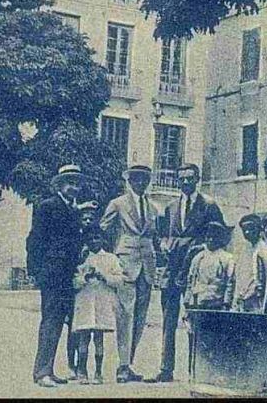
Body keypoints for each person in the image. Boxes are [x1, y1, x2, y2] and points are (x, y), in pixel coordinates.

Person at [149, 163, 225, 384]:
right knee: (168, 321)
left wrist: (200, 248)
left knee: (196, 320)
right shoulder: (171, 207)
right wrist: (163, 244)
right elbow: (161, 235)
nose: (185, 182)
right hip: (173, 272)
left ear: (197, 179)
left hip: (197, 272)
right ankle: (165, 369)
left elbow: (220, 235)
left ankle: (197, 371)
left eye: (190, 178)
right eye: (181, 178)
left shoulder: (209, 205)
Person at [100, 164, 160, 384]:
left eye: (145, 179)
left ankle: (129, 363)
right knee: (125, 316)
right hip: (125, 263)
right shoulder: (118, 203)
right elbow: (102, 230)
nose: (141, 183)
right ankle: (123, 366)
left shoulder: (153, 207)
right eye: (137, 179)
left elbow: (155, 238)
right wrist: (110, 259)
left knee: (141, 318)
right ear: (130, 181)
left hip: (147, 266)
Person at [26, 164, 83, 388]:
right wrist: (36, 271)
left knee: (59, 321)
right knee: (50, 321)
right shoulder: (48, 206)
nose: (74, 187)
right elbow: (34, 240)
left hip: (67, 274)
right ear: (59, 185)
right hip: (52, 273)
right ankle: (41, 372)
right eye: (70, 183)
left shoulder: (73, 209)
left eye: (77, 183)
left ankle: (49, 369)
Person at [71, 227, 124, 385]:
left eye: (97, 238)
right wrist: (85, 277)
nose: (94, 242)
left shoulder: (111, 258)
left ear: (103, 240)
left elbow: (119, 280)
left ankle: (98, 372)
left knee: (99, 339)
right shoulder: (82, 259)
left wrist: (103, 276)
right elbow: (74, 282)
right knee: (84, 338)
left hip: (102, 303)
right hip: (85, 302)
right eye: (91, 239)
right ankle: (82, 371)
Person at [67, 199, 101, 380]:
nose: (87, 222)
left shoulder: (96, 239)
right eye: (84, 218)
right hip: (76, 285)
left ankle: (86, 367)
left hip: (92, 290)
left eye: (91, 219)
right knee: (73, 327)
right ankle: (71, 365)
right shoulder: (74, 236)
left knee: (89, 328)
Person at [184, 221, 236, 310]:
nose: (211, 240)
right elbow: (191, 279)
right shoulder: (199, 257)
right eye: (209, 237)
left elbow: (229, 282)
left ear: (220, 239)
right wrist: (187, 299)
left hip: (216, 302)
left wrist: (226, 302)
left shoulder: (227, 258)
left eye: (215, 237)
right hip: (199, 301)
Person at [235, 213, 267, 313]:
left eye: (251, 229)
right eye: (244, 230)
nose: (247, 232)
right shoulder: (245, 249)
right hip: (244, 297)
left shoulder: (263, 249)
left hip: (256, 298)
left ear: (259, 229)